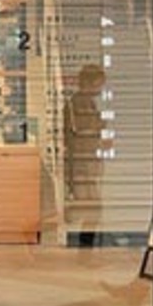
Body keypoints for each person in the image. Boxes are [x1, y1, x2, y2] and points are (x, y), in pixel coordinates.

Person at [63, 62, 107, 246]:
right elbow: (80, 133)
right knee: (92, 208)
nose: (101, 88)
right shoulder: (77, 104)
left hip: (86, 162)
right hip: (81, 163)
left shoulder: (86, 103)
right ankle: (85, 247)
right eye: (98, 84)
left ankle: (86, 247)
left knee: (92, 208)